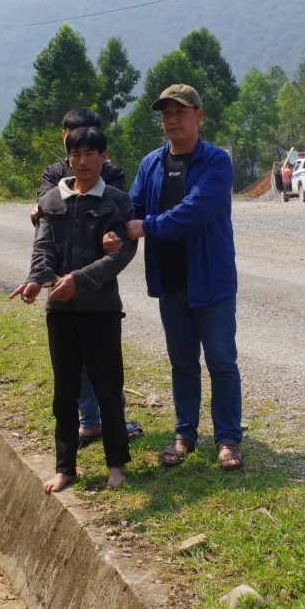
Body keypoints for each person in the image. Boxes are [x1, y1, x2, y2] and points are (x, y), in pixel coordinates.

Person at [10, 126, 138, 492]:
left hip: (102, 310)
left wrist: (79, 280)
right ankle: (65, 468)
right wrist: (37, 280)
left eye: (89, 154)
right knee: (64, 392)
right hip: (61, 311)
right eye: (75, 154)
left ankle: (117, 466)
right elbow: (43, 247)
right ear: (68, 159)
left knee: (109, 388)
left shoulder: (117, 201)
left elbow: (122, 254)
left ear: (103, 157)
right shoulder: (53, 199)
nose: (82, 161)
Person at [126, 84, 243, 472]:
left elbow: (195, 210)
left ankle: (227, 438)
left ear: (199, 116)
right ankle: (185, 434)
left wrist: (146, 226)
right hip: (171, 280)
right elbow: (131, 207)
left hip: (211, 279)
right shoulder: (151, 163)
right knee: (182, 361)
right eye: (166, 113)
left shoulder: (216, 162)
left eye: (180, 112)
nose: (172, 119)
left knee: (221, 361)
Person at [31, 108, 143, 449]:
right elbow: (46, 219)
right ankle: (89, 422)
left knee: (106, 369)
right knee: (71, 372)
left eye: (88, 146)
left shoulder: (112, 176)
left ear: (101, 150)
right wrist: (37, 277)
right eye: (72, 142)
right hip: (62, 296)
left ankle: (113, 428)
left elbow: (115, 227)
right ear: (64, 139)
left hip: (98, 293)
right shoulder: (53, 175)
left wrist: (110, 237)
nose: (81, 157)